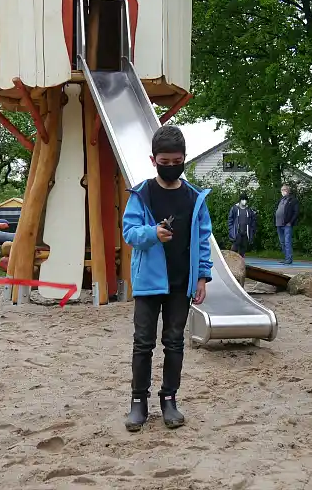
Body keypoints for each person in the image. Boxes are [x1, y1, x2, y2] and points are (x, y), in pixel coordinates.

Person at [121, 125, 213, 431]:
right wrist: (153, 234)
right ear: (153, 159)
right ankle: (138, 402)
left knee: (174, 343)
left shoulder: (195, 198)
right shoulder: (141, 194)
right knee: (143, 343)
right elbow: (130, 233)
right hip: (148, 283)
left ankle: (169, 399)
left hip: (180, 284)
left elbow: (203, 239)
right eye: (165, 161)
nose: (171, 167)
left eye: (177, 162)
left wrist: (202, 277)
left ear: (184, 159)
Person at [275, 184, 298, 264]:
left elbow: (296, 212)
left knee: (287, 241)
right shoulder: (281, 200)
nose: (283, 191)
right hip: (278, 224)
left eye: (284, 189)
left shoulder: (293, 200)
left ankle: (289, 259)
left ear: (288, 191)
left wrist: (290, 222)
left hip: (287, 224)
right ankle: (286, 258)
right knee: (282, 242)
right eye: (282, 190)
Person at [228, 192, 257, 257]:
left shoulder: (249, 210)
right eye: (243, 199)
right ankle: (230, 260)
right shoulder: (234, 209)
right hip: (237, 232)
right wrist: (231, 230)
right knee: (235, 247)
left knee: (243, 248)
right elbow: (230, 220)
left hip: (246, 233)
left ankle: (241, 261)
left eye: (245, 200)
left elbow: (253, 221)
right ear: (240, 200)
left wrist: (252, 230)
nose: (244, 201)